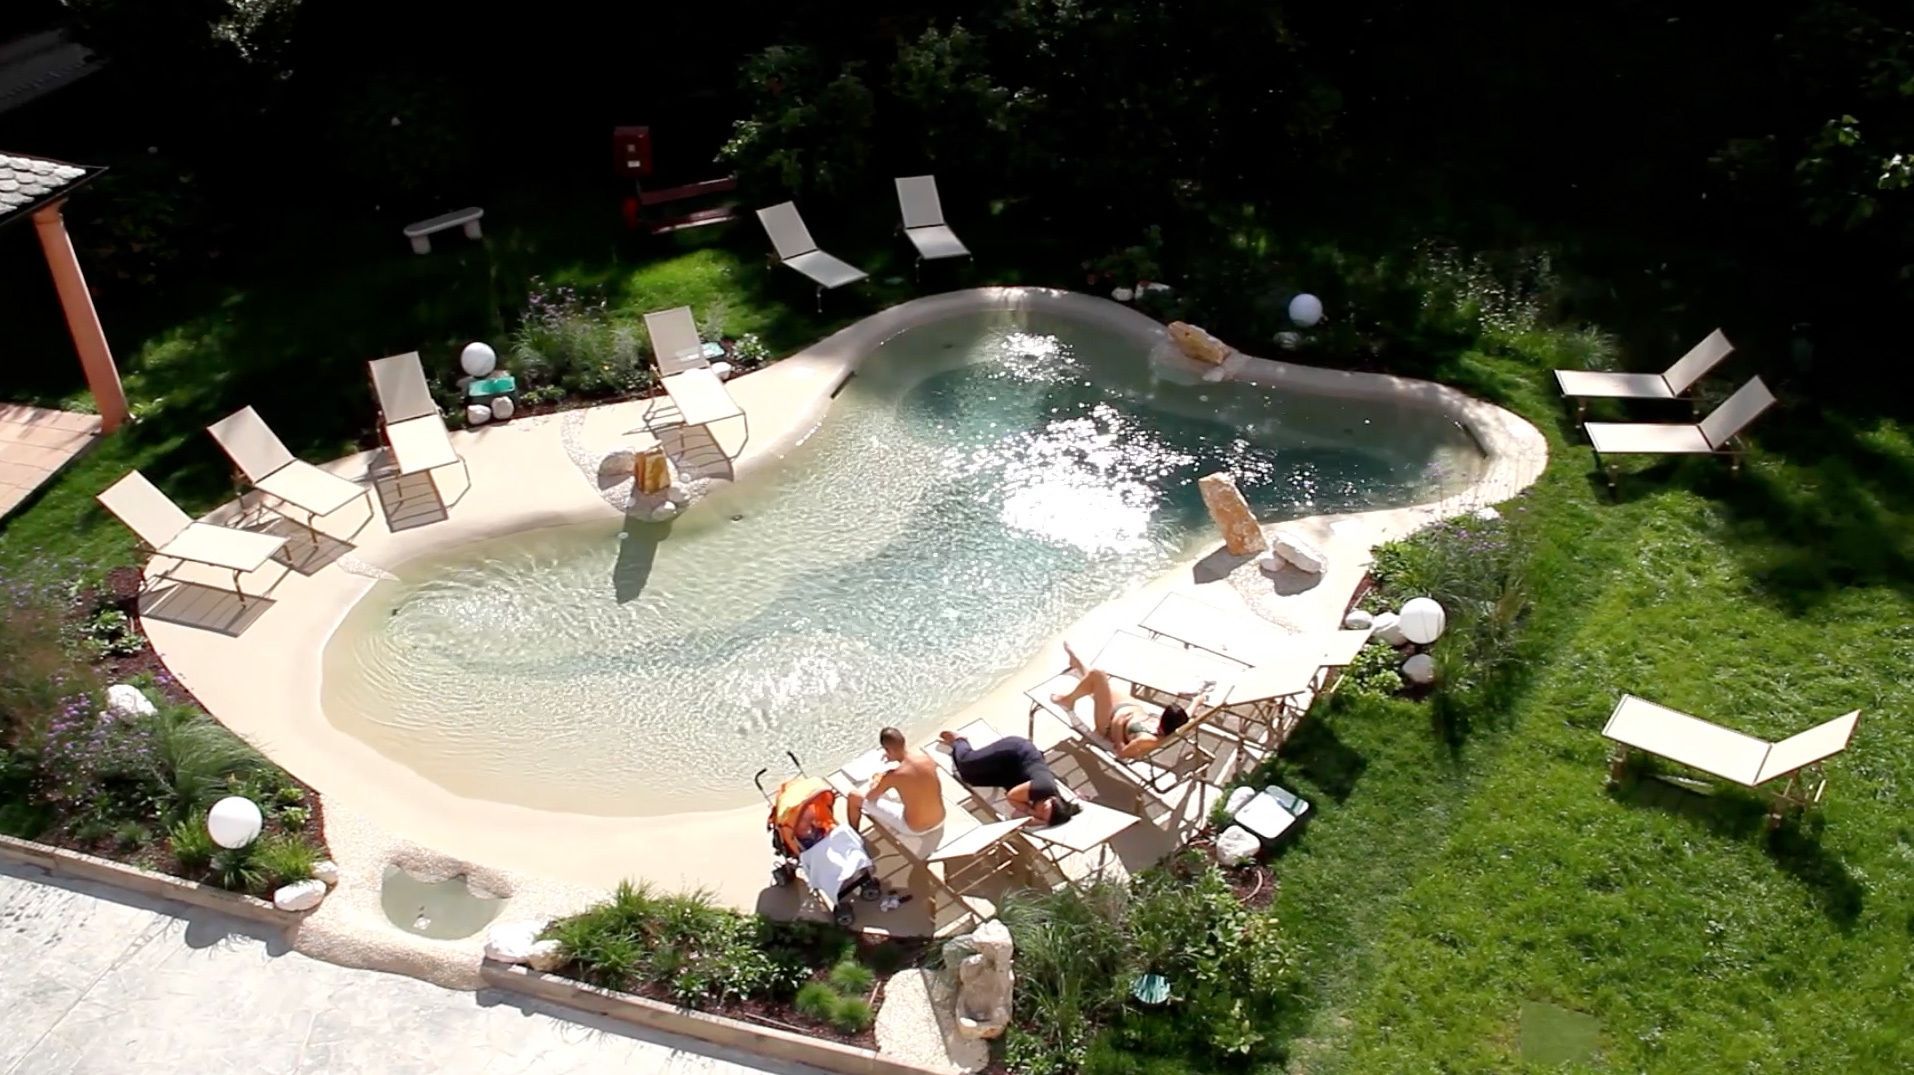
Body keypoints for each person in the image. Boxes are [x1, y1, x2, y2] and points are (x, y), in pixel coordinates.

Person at [1051, 642, 1191, 759]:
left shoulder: (1147, 739)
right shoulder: (1177, 726)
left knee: (1098, 676)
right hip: (1126, 708)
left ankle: (1068, 699)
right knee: (1099, 680)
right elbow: (1190, 713)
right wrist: (1198, 699)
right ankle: (1077, 664)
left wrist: (1120, 720)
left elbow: (1121, 752)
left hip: (1108, 725)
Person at [937, 730, 1082, 827]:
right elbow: (1012, 797)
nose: (1040, 809)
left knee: (970, 778)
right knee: (966, 763)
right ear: (1054, 800)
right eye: (1044, 808)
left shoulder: (1044, 802)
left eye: (1042, 814)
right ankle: (959, 740)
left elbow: (1015, 816)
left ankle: (966, 755)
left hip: (1011, 769)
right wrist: (1033, 813)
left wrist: (1037, 819)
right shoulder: (1043, 788)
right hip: (1014, 750)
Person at [847, 726, 947, 843]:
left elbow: (870, 797)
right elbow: (915, 777)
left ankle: (854, 838)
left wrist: (878, 780)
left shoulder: (893, 775)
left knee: (853, 796)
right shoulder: (927, 760)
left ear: (887, 750)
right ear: (903, 741)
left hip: (915, 829)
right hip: (939, 820)